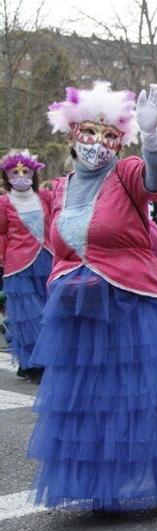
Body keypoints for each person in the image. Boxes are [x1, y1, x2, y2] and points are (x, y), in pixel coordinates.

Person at [30, 80, 157, 511]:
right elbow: (60, 245)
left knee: (138, 395)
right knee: (89, 399)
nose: (99, 143)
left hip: (130, 303)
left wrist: (152, 137)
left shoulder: (126, 173)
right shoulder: (59, 188)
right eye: (90, 133)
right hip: (78, 307)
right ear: (73, 133)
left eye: (110, 135)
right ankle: (103, 485)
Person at [0, 150, 53, 382]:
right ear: (6, 176)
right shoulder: (3, 203)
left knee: (48, 310)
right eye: (14, 172)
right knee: (27, 316)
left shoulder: (45, 197)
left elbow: (54, 224)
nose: (20, 176)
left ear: (34, 173)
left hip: (47, 260)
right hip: (18, 265)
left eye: (25, 171)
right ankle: (32, 362)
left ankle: (50, 356)